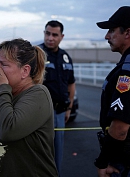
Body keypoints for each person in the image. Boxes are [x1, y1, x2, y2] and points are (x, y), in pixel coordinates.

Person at [0, 38, 58, 177]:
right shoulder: (4, 96)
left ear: (25, 71)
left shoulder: (38, 94)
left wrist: (2, 88)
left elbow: (9, 130)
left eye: (4, 64)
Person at [94, 6, 130, 177]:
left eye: (111, 31)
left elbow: (120, 127)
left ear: (127, 33)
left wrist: (103, 162)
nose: (106, 36)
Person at [38, 20, 76, 175]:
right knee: (40, 152)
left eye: (55, 35)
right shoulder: (36, 54)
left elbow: (71, 84)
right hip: (40, 114)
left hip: (60, 112)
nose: (50, 38)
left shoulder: (65, 57)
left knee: (57, 152)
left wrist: (69, 108)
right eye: (47, 33)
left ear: (62, 36)